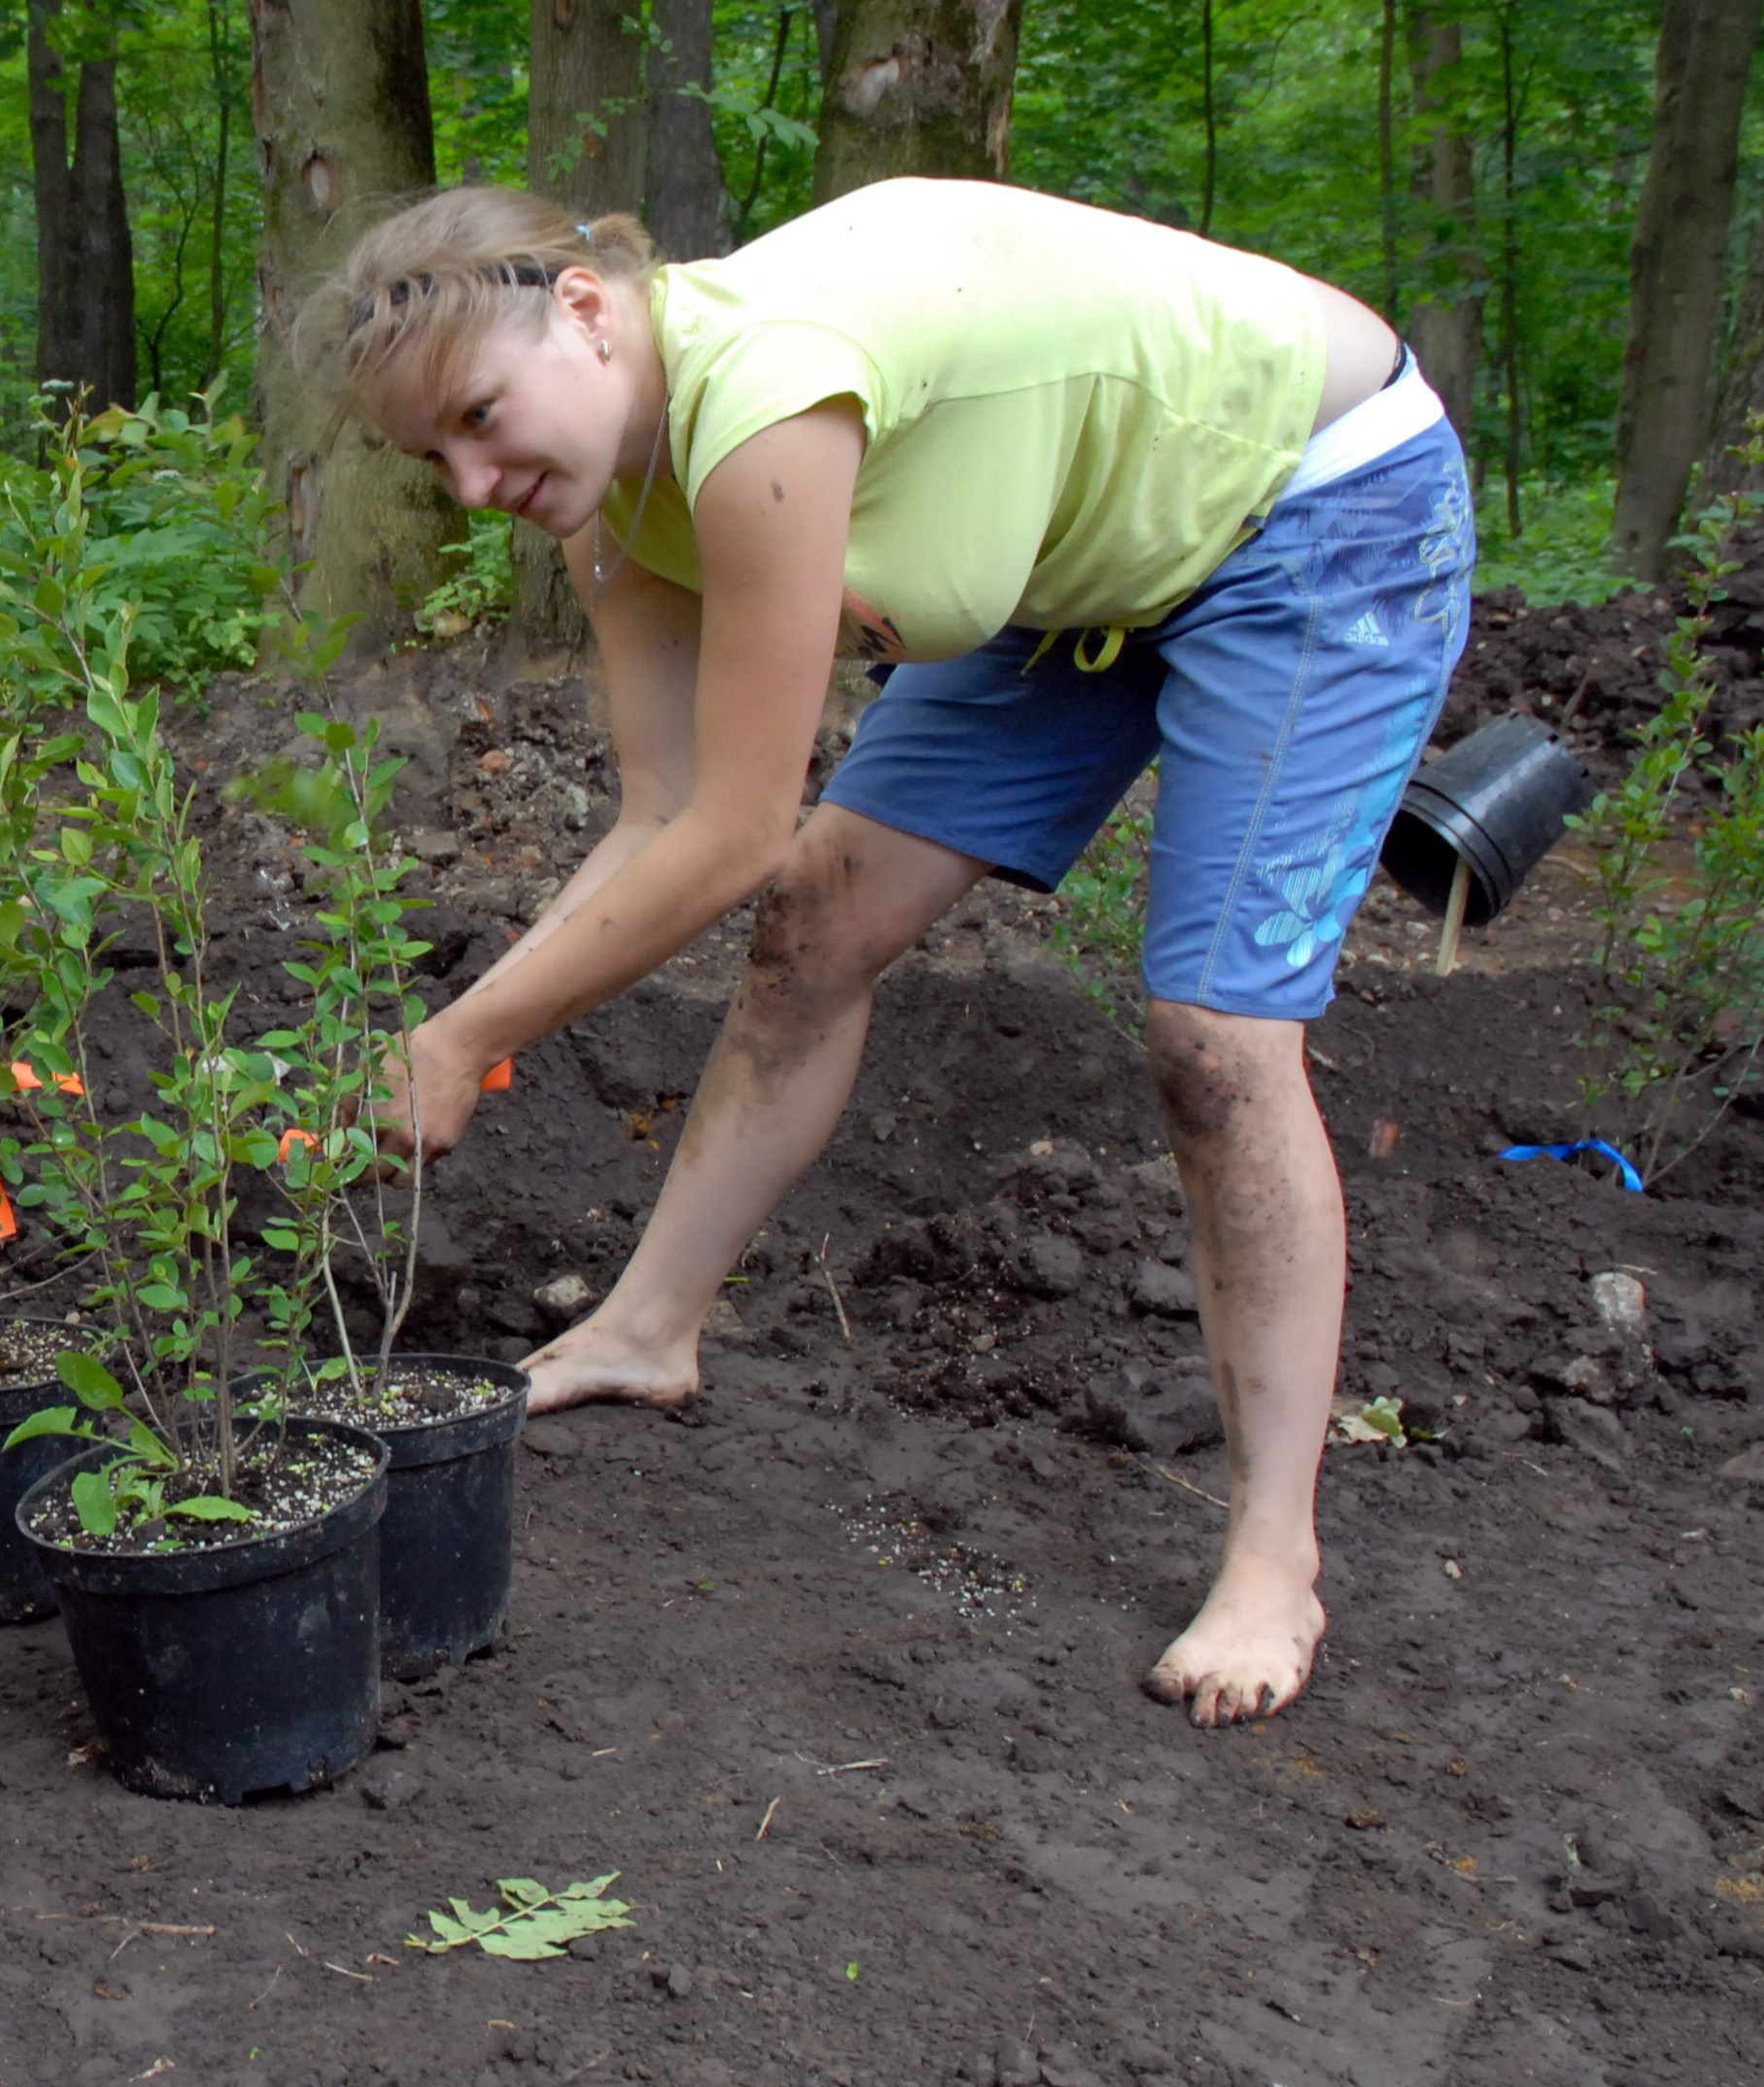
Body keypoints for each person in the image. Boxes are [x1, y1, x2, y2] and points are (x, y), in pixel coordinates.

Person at [329, 180, 1473, 1728]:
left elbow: (728, 828)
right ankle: (646, 1328)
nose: (471, 484)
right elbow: (657, 815)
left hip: (1306, 503)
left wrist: (457, 1044)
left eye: (479, 416)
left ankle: (1274, 1552)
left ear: (588, 308)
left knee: (1212, 1039)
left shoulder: (765, 406)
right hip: (1087, 554)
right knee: (819, 920)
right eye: (431, 459)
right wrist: (453, 1022)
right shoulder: (618, 492)